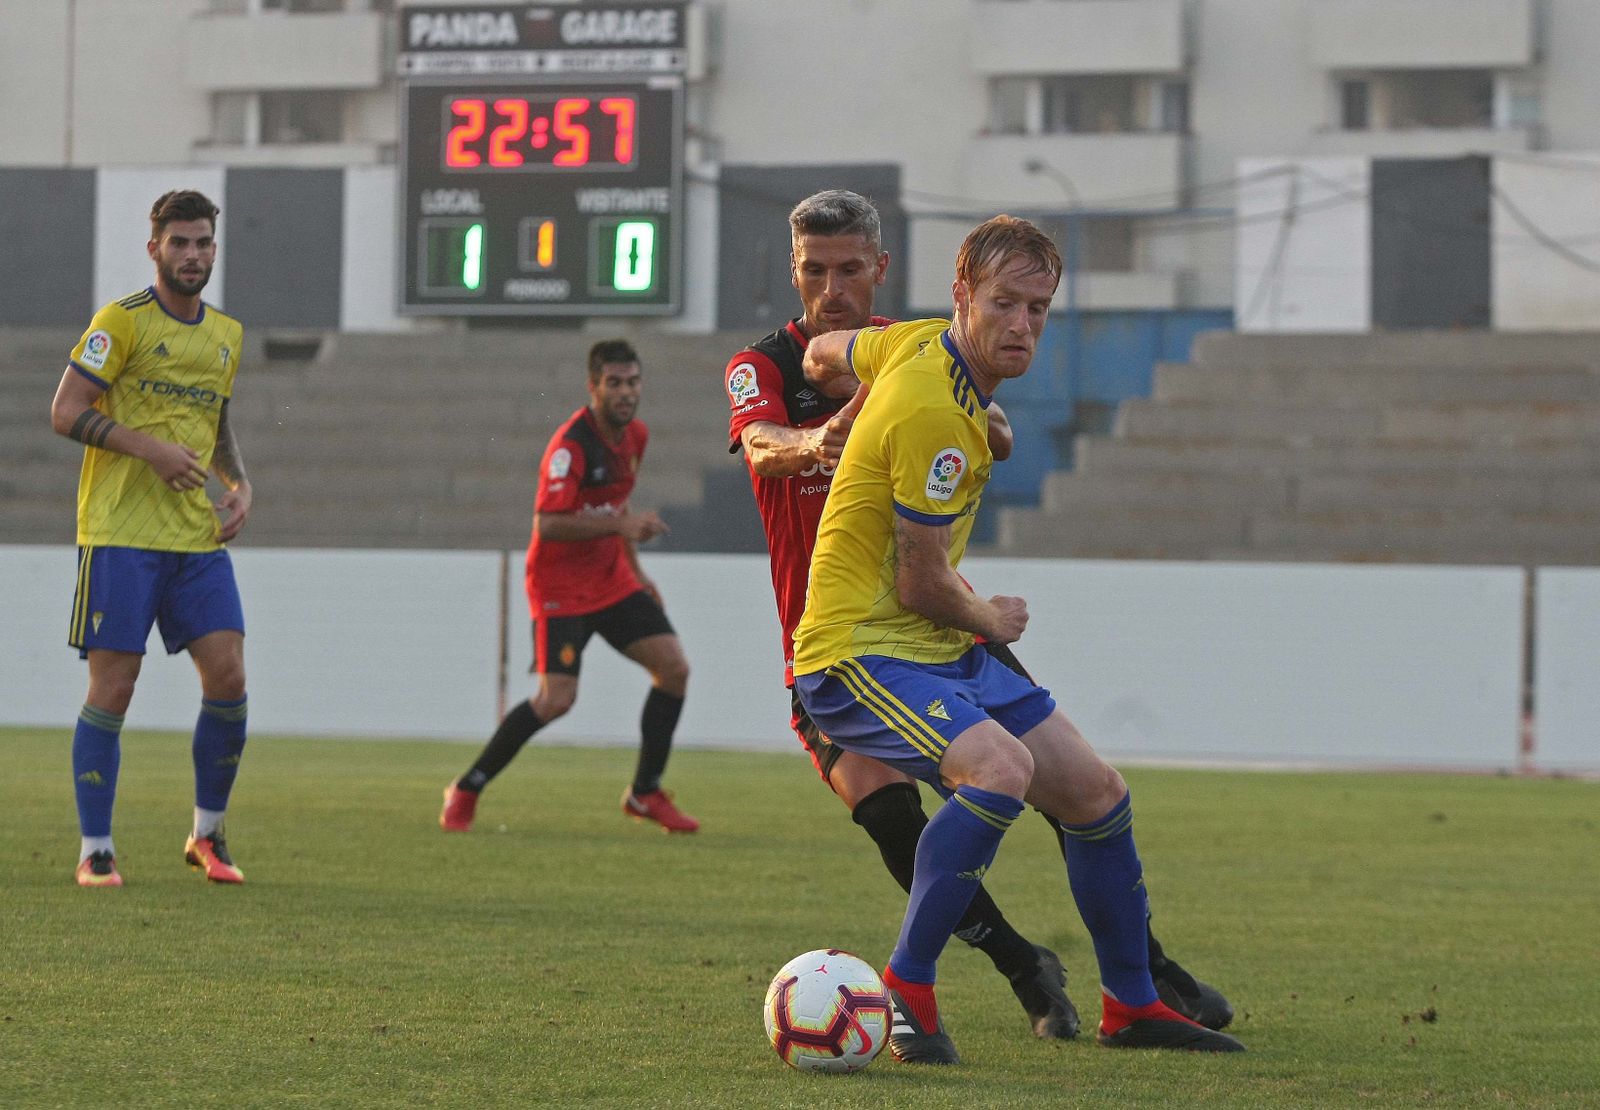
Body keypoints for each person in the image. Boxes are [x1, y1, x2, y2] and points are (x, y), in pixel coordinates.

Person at [727, 190, 1231, 1055]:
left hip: (932, 645)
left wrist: (913, 395)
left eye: (1038, 309)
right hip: (859, 647)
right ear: (962, 292)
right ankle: (910, 993)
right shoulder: (928, 408)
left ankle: (1135, 1001)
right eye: (1005, 303)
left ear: (885, 272)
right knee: (992, 773)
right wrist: (993, 615)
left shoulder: (915, 343)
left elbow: (827, 349)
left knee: (1097, 794)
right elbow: (922, 582)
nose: (1024, 324)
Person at [50, 189, 254, 888]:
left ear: (214, 250)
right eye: (180, 243)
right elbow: (65, 410)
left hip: (196, 539)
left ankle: (207, 834)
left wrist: (238, 482)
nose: (192, 256)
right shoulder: (121, 322)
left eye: (203, 243)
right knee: (116, 685)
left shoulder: (226, 334)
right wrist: (150, 450)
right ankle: (96, 847)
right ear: (155, 249)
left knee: (228, 675)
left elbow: (215, 424)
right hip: (120, 533)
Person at [441, 339, 698, 834]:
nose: (626, 393)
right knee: (556, 699)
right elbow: (549, 523)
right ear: (594, 387)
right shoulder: (571, 447)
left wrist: (639, 575)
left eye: (633, 382)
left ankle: (645, 793)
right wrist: (621, 530)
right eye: (615, 384)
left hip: (612, 580)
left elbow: (616, 508)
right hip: (559, 586)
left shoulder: (635, 437)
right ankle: (467, 787)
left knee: (674, 670)